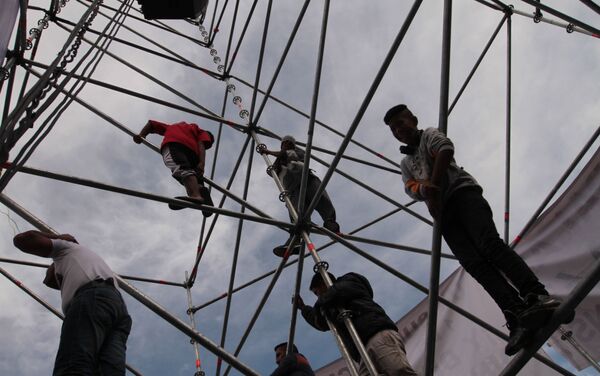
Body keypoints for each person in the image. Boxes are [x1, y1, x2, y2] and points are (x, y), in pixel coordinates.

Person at [383, 104, 573, 355]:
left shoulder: (429, 134)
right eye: (394, 129)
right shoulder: (406, 162)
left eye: (402, 123)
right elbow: (410, 188)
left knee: (489, 245)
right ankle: (516, 314)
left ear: (414, 120)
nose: (399, 130)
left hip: (463, 195)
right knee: (474, 264)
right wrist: (426, 192)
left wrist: (434, 187)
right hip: (445, 215)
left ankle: (536, 295)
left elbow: (445, 150)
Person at [13, 230, 132, 375]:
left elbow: (22, 240)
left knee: (74, 363)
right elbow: (49, 281)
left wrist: (58, 237)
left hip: (94, 299)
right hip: (117, 310)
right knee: (109, 369)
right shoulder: (76, 262)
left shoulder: (66, 247)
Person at [296, 272, 417, 376]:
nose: (318, 297)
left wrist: (321, 304)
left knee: (398, 371)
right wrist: (303, 308)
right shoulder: (330, 306)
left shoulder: (349, 281)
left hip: (376, 334)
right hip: (361, 350)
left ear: (323, 284)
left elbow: (336, 293)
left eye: (317, 293)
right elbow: (320, 322)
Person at [260, 135, 340, 257]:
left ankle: (330, 223)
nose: (286, 144)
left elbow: (288, 156)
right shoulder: (279, 161)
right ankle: (295, 242)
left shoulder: (296, 151)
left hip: (306, 180)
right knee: (296, 215)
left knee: (320, 198)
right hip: (292, 188)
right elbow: (275, 173)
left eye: (288, 143)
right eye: (284, 143)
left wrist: (268, 152)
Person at [134, 119, 214, 215]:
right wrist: (202, 163)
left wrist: (142, 135)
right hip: (193, 154)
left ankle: (196, 195)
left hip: (175, 144)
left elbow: (151, 124)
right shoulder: (200, 131)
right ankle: (200, 189)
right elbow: (201, 145)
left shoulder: (172, 127)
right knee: (191, 173)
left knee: (181, 168)